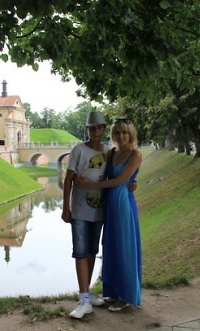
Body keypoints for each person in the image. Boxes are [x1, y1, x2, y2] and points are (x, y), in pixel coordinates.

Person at [75, 118, 142, 312]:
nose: (121, 136)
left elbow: (119, 180)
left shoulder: (135, 154)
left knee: (124, 246)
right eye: (118, 133)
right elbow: (105, 176)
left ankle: (126, 296)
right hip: (109, 204)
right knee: (111, 247)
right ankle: (113, 293)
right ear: (113, 135)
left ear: (131, 134)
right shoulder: (112, 153)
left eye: (125, 132)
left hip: (122, 203)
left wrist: (90, 185)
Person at [61, 111, 109, 319]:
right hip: (79, 209)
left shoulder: (109, 152)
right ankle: (84, 299)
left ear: (104, 129)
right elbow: (68, 180)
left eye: (98, 127)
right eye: (91, 128)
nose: (95, 131)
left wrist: (131, 184)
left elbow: (114, 178)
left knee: (91, 250)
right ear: (87, 130)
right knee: (80, 251)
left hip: (99, 209)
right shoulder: (78, 150)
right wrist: (66, 207)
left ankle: (87, 295)